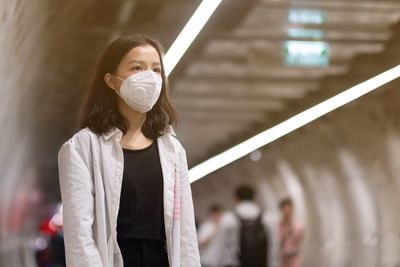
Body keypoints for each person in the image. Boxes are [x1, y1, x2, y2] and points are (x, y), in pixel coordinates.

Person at [58, 34, 200, 267]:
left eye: (156, 70)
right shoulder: (82, 147)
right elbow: (80, 236)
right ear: (111, 81)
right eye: (137, 68)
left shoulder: (172, 149)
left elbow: (185, 230)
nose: (150, 77)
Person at [217, 185, 270, 267]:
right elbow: (272, 245)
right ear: (253, 197)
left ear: (236, 198)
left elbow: (220, 247)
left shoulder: (229, 218)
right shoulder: (266, 217)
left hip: (237, 263)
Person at [278, 198, 304, 267]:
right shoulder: (278, 226)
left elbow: (299, 240)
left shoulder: (298, 226)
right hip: (282, 260)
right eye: (285, 210)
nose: (287, 212)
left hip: (294, 259)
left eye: (288, 209)